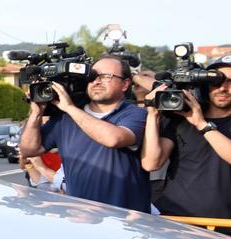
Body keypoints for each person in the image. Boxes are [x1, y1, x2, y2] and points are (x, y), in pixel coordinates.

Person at [141, 55, 231, 222]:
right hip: (176, 221)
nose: (222, 87)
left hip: (225, 225)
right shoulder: (179, 118)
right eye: (215, 81)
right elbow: (151, 163)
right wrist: (153, 114)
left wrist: (201, 124)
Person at [19, 55, 150, 212]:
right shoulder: (64, 118)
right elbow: (29, 150)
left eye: (106, 76)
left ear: (125, 84)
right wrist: (36, 114)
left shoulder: (135, 114)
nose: (97, 81)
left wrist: (69, 108)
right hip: (80, 217)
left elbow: (114, 139)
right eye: (92, 76)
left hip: (125, 219)